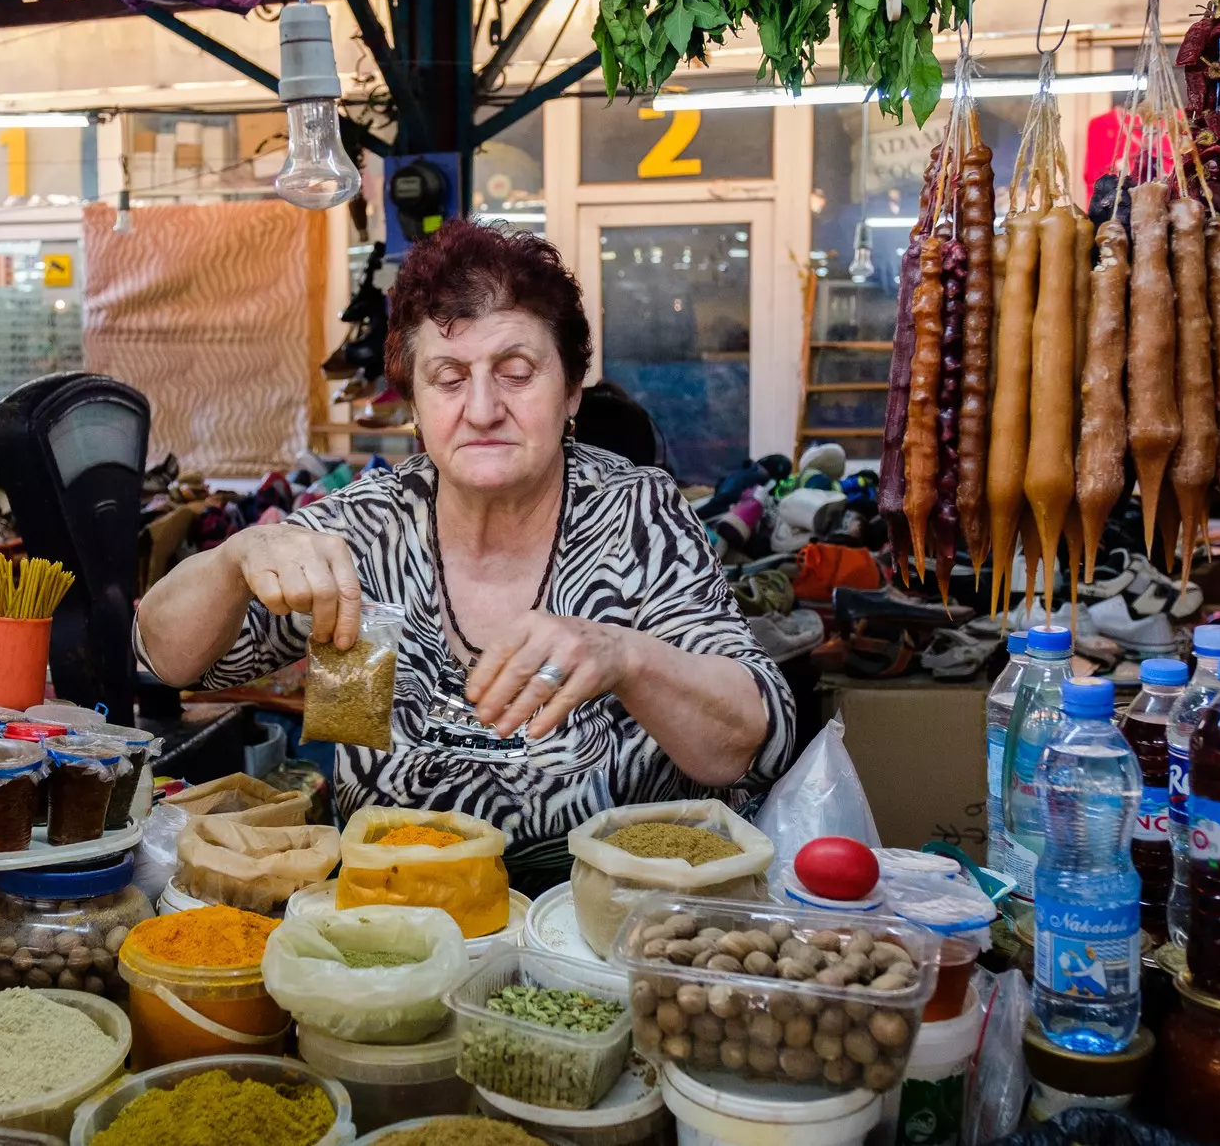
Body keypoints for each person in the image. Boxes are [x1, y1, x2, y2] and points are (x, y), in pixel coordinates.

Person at [135, 220, 795, 892]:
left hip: (601, 918)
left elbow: (751, 740)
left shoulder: (637, 515)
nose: (482, 409)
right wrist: (232, 558)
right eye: (448, 378)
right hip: (392, 915)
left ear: (570, 392)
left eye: (515, 373)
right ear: (415, 404)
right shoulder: (365, 524)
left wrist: (623, 655)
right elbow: (165, 658)